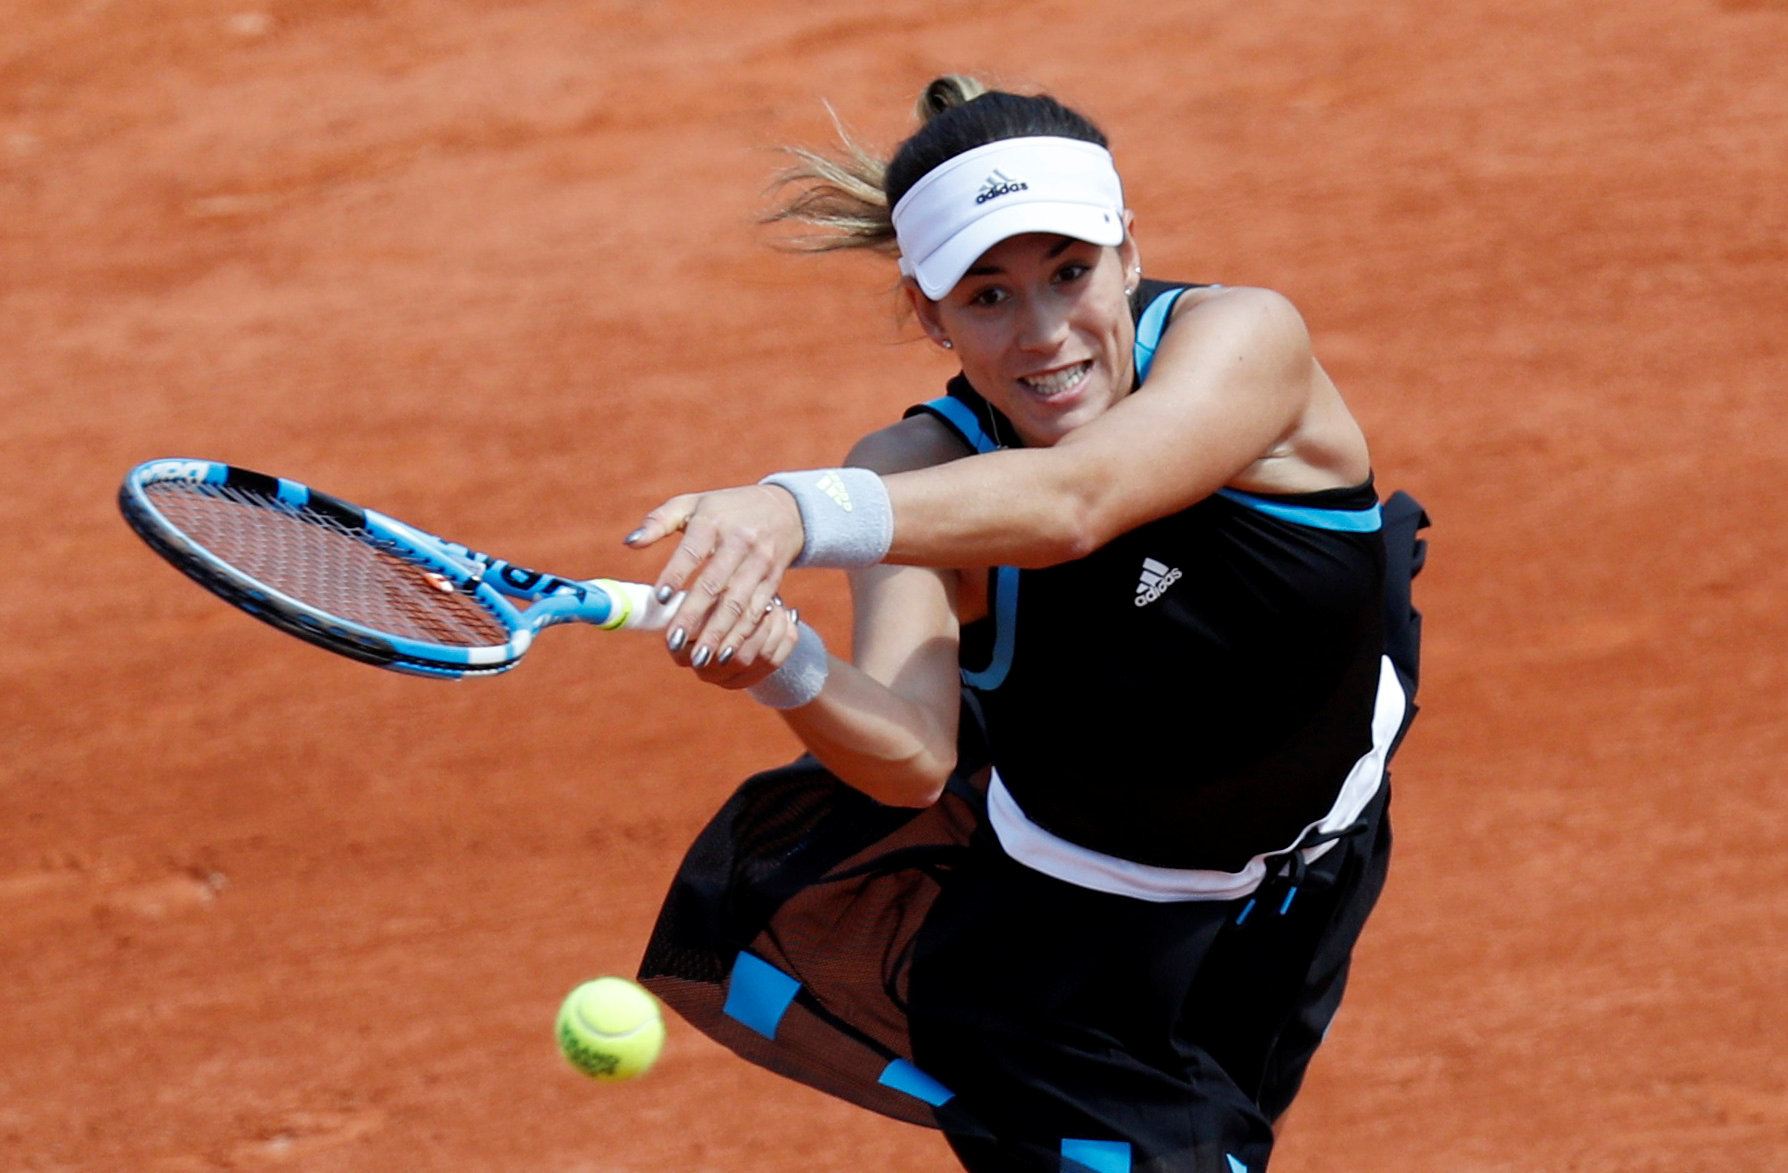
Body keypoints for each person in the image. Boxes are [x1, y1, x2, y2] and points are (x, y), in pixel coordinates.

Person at [626, 75, 1428, 1173]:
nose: (1044, 334)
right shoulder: (910, 474)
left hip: (1316, 859)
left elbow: (1078, 504)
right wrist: (788, 667)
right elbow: (912, 761)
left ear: (1129, 255)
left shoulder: (1245, 339)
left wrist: (792, 509)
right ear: (929, 313)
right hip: (1074, 965)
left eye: (1069, 273)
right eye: (987, 296)